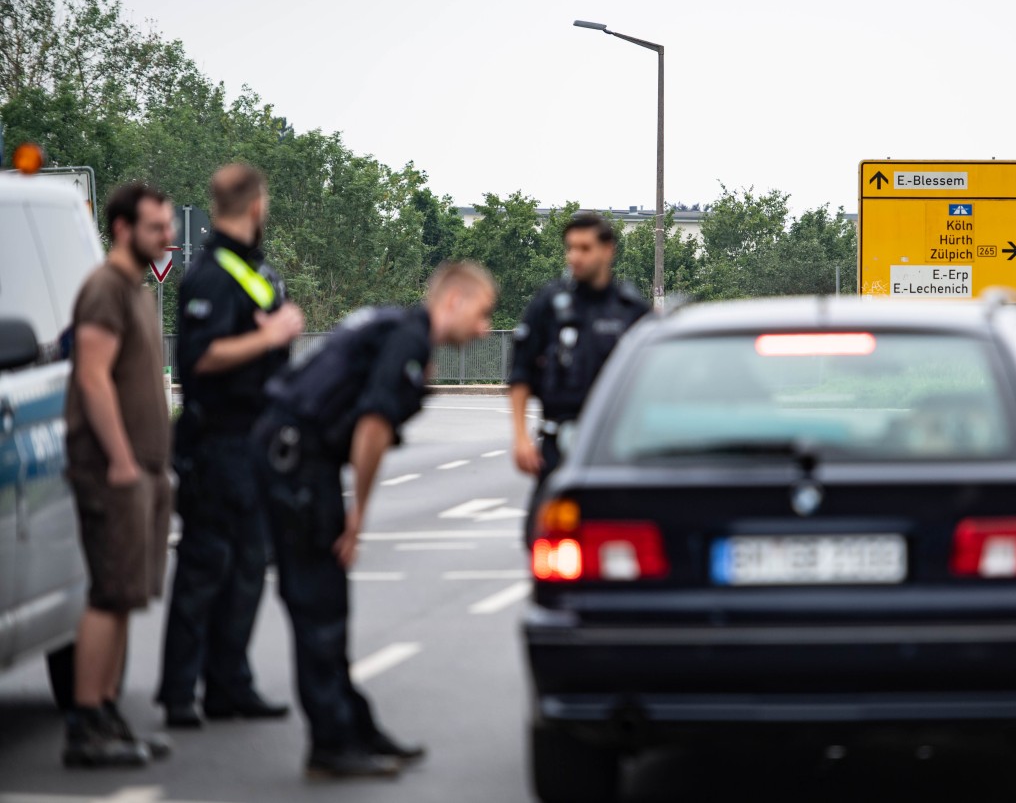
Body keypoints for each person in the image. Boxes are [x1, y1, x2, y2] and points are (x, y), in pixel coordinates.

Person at [251, 262, 496, 779]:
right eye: (482, 313)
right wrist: (358, 515)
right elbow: (372, 427)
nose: (484, 329)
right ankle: (332, 744)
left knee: (327, 601)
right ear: (452, 301)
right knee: (318, 604)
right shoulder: (408, 340)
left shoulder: (398, 330)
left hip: (295, 457)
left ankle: (354, 726)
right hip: (294, 463)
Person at [156, 165, 304, 729]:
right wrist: (269, 336)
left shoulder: (254, 270)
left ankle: (228, 684)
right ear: (255, 205)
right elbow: (199, 358)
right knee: (204, 567)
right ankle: (177, 693)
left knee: (247, 567)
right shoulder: (213, 274)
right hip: (218, 439)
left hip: (255, 440)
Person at [63, 183, 175, 767]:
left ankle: (107, 714)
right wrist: (123, 460)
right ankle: (85, 725)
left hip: (144, 470)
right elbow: (92, 376)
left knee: (128, 594)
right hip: (113, 470)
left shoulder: (133, 291)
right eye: (158, 227)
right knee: (109, 594)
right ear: (125, 229)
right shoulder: (105, 288)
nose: (169, 236)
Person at [509, 211, 650, 541]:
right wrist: (519, 437)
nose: (575, 257)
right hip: (560, 439)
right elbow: (520, 375)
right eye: (571, 248)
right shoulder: (550, 305)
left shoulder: (631, 311)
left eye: (585, 248)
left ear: (608, 250)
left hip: (617, 443)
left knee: (619, 533)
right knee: (539, 535)